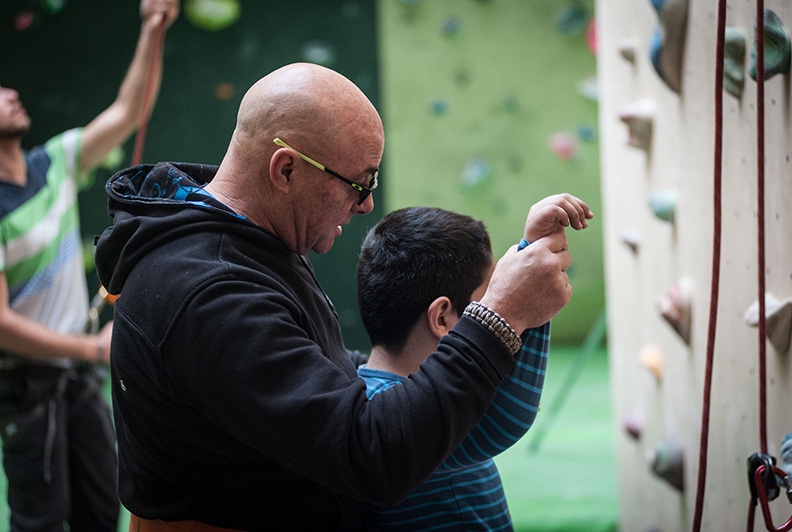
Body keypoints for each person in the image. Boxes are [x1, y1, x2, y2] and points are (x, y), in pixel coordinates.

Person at [94, 61, 590, 531]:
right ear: (285, 170)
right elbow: (371, 457)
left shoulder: (248, 245)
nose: (368, 203)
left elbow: (303, 374)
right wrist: (499, 314)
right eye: (360, 182)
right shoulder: (208, 289)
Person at [0, 1, 179, 530]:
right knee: (44, 521)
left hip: (78, 373)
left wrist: (152, 29)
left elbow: (129, 112)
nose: (11, 93)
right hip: (26, 386)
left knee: (104, 512)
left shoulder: (51, 163)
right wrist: (88, 348)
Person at [357, 196, 591, 531]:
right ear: (443, 318)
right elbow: (506, 418)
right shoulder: (406, 422)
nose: (497, 305)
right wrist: (526, 302)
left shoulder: (362, 395)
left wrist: (532, 254)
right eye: (488, 302)